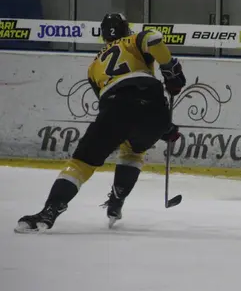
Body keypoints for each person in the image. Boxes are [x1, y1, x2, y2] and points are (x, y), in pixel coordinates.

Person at [15, 13, 186, 233]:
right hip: (155, 109)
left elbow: (114, 107)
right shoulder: (133, 40)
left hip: (116, 108)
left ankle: (49, 211)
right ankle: (117, 200)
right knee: (133, 152)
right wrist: (170, 70)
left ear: (103, 36)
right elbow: (153, 39)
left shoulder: (94, 66)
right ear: (126, 28)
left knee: (81, 163)